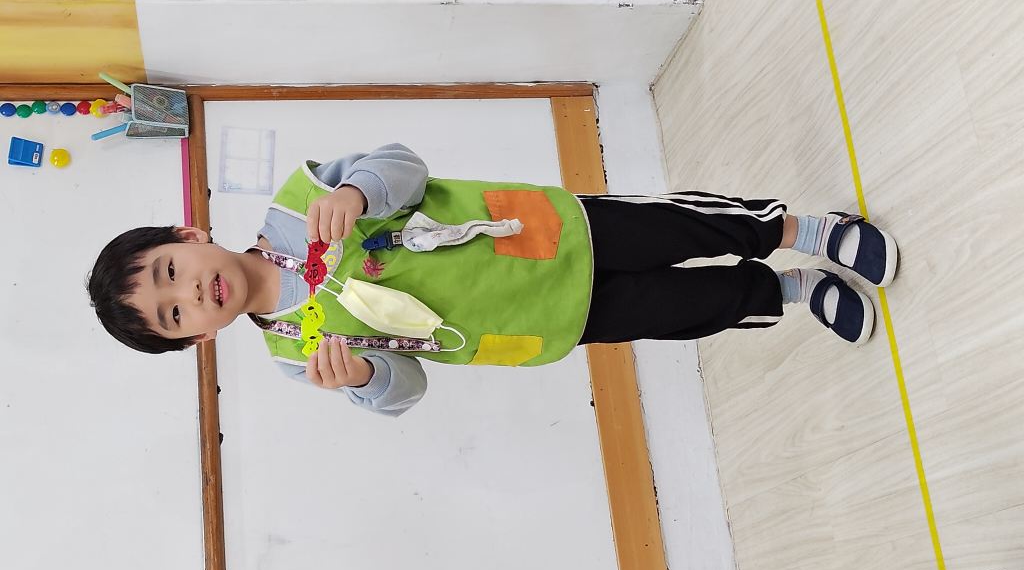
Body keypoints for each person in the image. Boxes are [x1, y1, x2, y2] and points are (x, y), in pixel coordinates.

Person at [88, 144, 898, 416]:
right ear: (197, 340)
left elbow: (402, 166)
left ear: (189, 235)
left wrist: (356, 193)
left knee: (687, 227)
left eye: (171, 272)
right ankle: (788, 292)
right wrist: (364, 378)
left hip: (543, 232)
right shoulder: (300, 357)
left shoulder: (301, 201)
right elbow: (407, 390)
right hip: (537, 320)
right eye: (174, 314)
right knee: (684, 307)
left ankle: (803, 231)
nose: (190, 294)